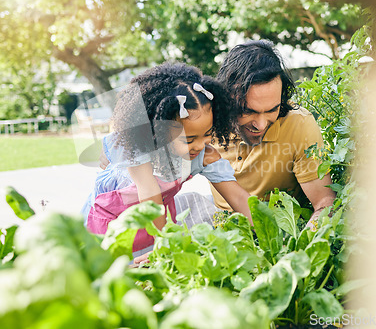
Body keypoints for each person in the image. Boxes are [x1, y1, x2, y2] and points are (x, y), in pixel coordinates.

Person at [82, 62, 252, 254]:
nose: (200, 145)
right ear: (159, 131)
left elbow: (238, 197)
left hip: (155, 222)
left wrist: (266, 229)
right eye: (189, 139)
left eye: (208, 133)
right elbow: (150, 193)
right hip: (111, 223)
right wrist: (164, 248)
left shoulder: (204, 155)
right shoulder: (137, 149)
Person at [211, 39, 336, 226]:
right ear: (227, 98)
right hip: (223, 228)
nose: (261, 125)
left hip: (285, 229)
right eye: (248, 111)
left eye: (272, 110)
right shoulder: (207, 121)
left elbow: (325, 203)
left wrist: (302, 245)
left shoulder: (299, 124)